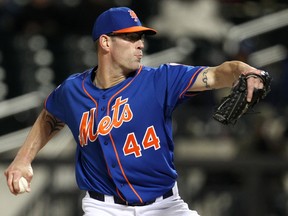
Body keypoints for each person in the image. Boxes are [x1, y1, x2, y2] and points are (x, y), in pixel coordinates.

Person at [5, 7, 265, 216]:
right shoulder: (73, 91)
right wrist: (23, 159)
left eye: (140, 37)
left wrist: (246, 71)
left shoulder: (161, 80)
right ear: (105, 42)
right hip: (103, 207)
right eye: (130, 37)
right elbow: (51, 115)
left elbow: (218, 72)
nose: (140, 44)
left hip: (164, 206)